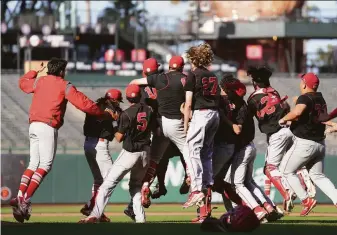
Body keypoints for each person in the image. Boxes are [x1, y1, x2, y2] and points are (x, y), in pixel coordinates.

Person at [11, 58, 115, 223]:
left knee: (33, 164)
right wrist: (101, 113)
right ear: (61, 71)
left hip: (33, 125)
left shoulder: (39, 81)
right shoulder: (63, 84)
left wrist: (34, 72)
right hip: (47, 125)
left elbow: (23, 83)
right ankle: (25, 200)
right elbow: (84, 104)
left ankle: (19, 196)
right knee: (45, 165)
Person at [79, 84, 154, 223]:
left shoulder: (100, 107)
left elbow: (118, 137)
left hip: (113, 148)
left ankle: (94, 213)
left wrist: (116, 124)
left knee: (105, 183)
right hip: (145, 152)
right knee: (134, 186)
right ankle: (140, 219)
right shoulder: (149, 110)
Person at [129, 56, 188, 208]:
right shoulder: (166, 80)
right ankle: (189, 178)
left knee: (156, 160)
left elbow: (134, 93)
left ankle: (147, 185)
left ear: (144, 72)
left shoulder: (146, 85)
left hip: (157, 128)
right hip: (176, 123)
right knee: (188, 153)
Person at [279, 73, 337, 216]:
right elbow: (322, 117)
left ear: (304, 84)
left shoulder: (305, 97)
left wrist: (283, 119)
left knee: (286, 171)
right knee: (318, 176)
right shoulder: (320, 98)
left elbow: (297, 112)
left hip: (305, 143)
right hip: (320, 144)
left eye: (301, 81)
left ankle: (306, 200)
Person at [222, 78, 280, 222]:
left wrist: (225, 121)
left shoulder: (240, 107)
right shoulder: (244, 105)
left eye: (226, 90)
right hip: (250, 147)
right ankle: (269, 206)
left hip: (243, 149)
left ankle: (257, 210)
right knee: (249, 182)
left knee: (238, 184)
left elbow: (237, 129)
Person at [246, 66, 296, 211]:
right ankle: (284, 197)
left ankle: (287, 192)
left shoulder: (253, 98)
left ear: (255, 82)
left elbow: (247, 117)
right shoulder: (274, 92)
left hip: (277, 134)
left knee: (270, 168)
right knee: (280, 167)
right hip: (289, 131)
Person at [183, 43, 220, 208]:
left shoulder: (192, 75)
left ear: (193, 59)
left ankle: (197, 190)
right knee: (206, 152)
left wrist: (185, 125)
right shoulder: (212, 75)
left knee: (190, 149)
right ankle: (207, 183)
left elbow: (188, 104)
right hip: (215, 114)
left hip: (202, 113)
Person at [80, 88, 123, 222]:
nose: (119, 104)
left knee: (99, 180)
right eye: (118, 102)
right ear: (114, 100)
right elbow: (119, 135)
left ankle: (98, 211)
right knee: (111, 178)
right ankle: (91, 206)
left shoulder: (95, 106)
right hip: (100, 145)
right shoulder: (113, 110)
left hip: (88, 144)